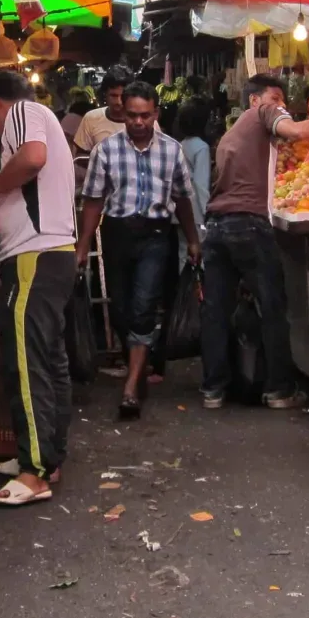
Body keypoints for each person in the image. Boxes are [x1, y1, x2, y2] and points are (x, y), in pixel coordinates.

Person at [200, 74, 309, 410]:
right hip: (248, 225)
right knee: (272, 306)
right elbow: (296, 131)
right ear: (256, 99)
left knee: (216, 311)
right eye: (276, 97)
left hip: (218, 226)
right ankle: (279, 389)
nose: (282, 105)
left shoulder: (234, 131)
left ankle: (213, 390)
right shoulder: (263, 113)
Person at [0, 70, 77, 506]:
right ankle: (47, 457)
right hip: (51, 254)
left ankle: (34, 474)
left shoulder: (23, 111)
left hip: (35, 254)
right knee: (48, 360)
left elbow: (31, 158)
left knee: (27, 361)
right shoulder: (42, 115)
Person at [76, 82, 200, 419]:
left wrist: (192, 239)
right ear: (123, 115)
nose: (139, 122)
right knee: (121, 309)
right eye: (132, 115)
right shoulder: (107, 150)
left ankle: (131, 386)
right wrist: (83, 246)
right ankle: (139, 364)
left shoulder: (172, 150)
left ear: (156, 114)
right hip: (117, 233)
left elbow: (182, 198)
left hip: (156, 235)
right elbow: (93, 200)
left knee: (145, 305)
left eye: (145, 115)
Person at [73, 69, 132, 155]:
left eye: (123, 96)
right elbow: (81, 156)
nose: (118, 102)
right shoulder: (91, 118)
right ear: (105, 94)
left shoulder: (143, 119)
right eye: (113, 95)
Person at [176, 97, 212, 228]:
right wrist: (206, 212)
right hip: (195, 212)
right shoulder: (202, 147)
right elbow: (201, 184)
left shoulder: (181, 145)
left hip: (179, 212)